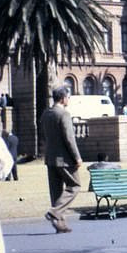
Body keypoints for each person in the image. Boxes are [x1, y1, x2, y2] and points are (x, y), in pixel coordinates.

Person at [41, 85, 84, 234]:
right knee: (75, 185)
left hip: (50, 158)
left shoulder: (46, 113)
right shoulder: (64, 114)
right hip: (64, 159)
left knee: (56, 191)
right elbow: (69, 138)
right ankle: (55, 211)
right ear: (63, 98)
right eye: (68, 97)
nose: (69, 100)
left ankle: (60, 224)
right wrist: (77, 157)